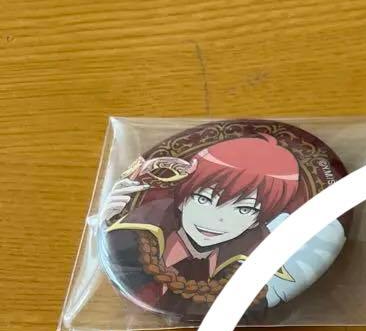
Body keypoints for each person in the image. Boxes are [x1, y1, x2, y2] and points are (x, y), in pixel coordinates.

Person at [102, 136, 300, 318]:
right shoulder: (128, 241)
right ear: (182, 199)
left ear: (257, 221)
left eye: (244, 209)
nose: (217, 219)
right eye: (204, 199)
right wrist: (106, 220)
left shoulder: (255, 275)